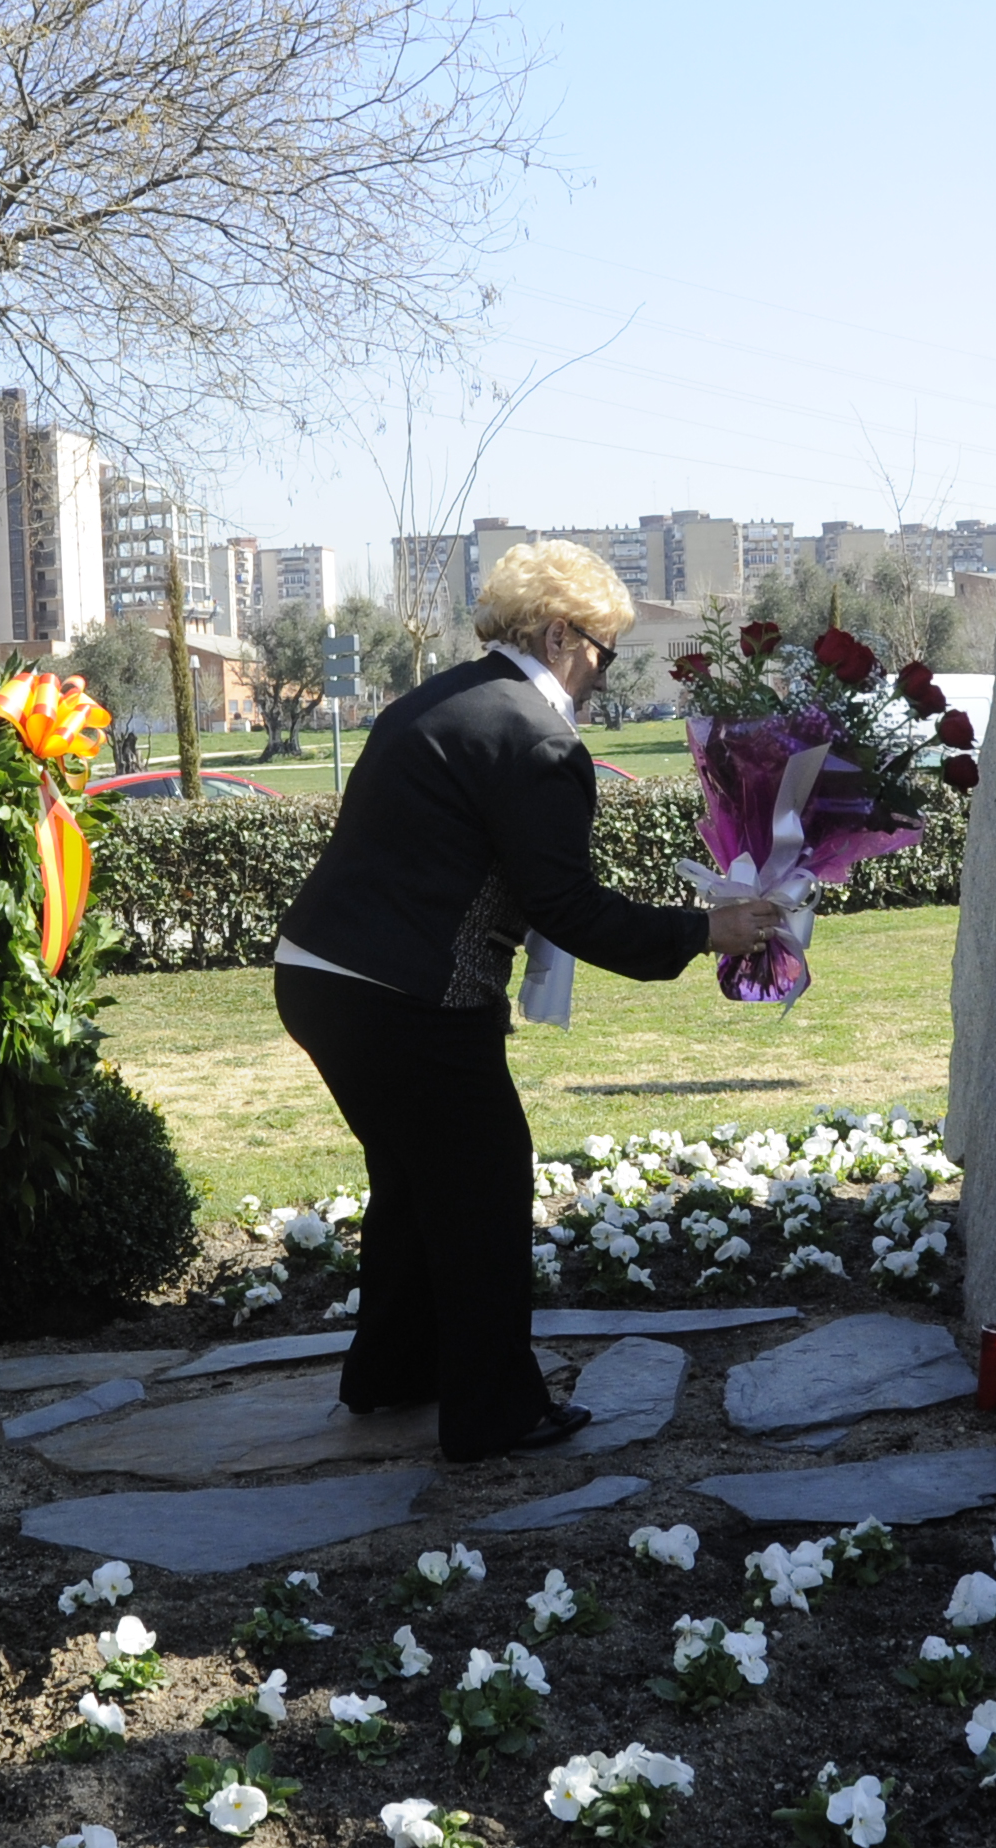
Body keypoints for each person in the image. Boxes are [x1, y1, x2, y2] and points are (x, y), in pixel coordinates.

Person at [274, 539, 783, 1463]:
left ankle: (393, 1371)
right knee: (483, 1186)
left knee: (414, 1179)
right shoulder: (536, 738)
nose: (602, 674)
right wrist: (707, 931)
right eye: (603, 651)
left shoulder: (437, 699)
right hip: (412, 999)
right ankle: (495, 1412)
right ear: (558, 635)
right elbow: (567, 907)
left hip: (316, 977)